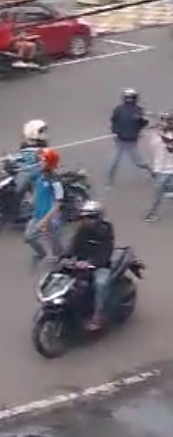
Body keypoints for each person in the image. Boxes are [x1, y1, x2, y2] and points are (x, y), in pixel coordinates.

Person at [67, 199, 115, 331]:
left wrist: (91, 263)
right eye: (84, 217)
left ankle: (98, 315)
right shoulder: (82, 229)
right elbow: (73, 246)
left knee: (100, 283)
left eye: (90, 217)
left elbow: (106, 251)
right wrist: (62, 256)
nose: (85, 220)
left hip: (100, 265)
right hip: (81, 264)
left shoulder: (106, 230)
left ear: (98, 217)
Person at [25, 148, 64, 264]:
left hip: (49, 218)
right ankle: (47, 254)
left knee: (49, 239)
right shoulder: (40, 175)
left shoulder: (56, 181)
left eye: (43, 161)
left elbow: (58, 203)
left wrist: (45, 220)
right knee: (29, 237)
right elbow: (37, 189)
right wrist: (32, 199)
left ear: (49, 164)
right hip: (37, 214)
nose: (40, 163)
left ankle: (54, 257)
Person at [108, 89, 152, 185]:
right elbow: (114, 121)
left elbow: (141, 123)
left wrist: (141, 120)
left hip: (129, 142)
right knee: (113, 163)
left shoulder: (137, 110)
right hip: (121, 141)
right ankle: (109, 182)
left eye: (130, 98)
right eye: (128, 98)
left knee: (139, 162)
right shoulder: (123, 109)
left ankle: (152, 173)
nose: (129, 100)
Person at [144, 116, 173, 221]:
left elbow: (155, 144)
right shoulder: (158, 138)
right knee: (160, 193)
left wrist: (157, 129)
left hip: (160, 170)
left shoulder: (156, 138)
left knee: (157, 195)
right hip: (166, 170)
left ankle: (151, 214)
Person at [14, 119, 48, 197]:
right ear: (34, 133)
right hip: (29, 179)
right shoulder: (36, 149)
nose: (45, 134)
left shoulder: (27, 145)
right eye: (42, 132)